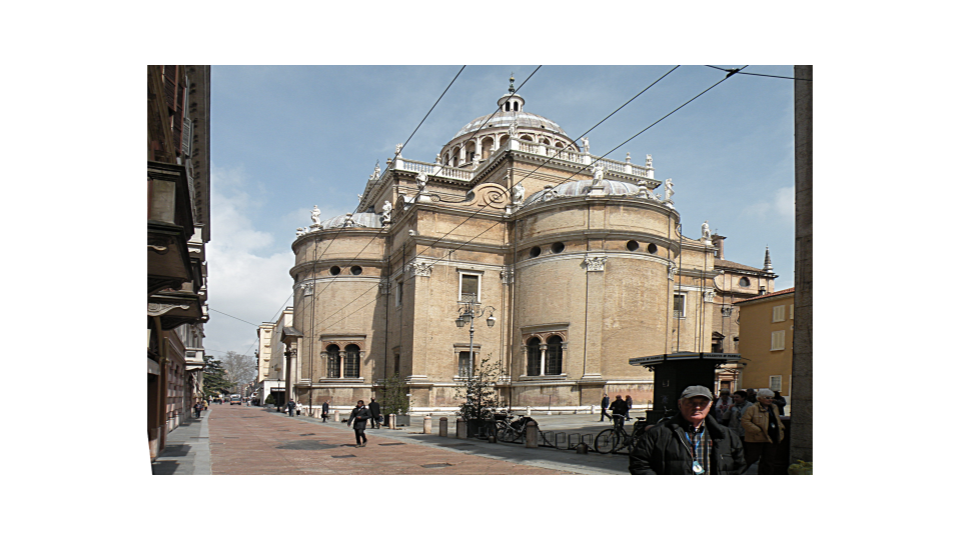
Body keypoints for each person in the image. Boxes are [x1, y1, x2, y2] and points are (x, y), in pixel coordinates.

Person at [629, 385, 745, 475]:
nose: (697, 407)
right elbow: (639, 464)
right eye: (691, 402)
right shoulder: (658, 433)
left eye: (702, 403)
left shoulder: (726, 435)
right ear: (680, 404)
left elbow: (738, 465)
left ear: (710, 405)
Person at [741, 388, 786, 475]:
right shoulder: (752, 408)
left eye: (771, 398)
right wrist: (757, 430)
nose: (770, 400)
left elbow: (776, 420)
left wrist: (781, 429)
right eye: (767, 398)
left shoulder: (774, 407)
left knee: (769, 460)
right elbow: (745, 421)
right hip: (756, 439)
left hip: (771, 437)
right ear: (759, 399)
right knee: (751, 458)